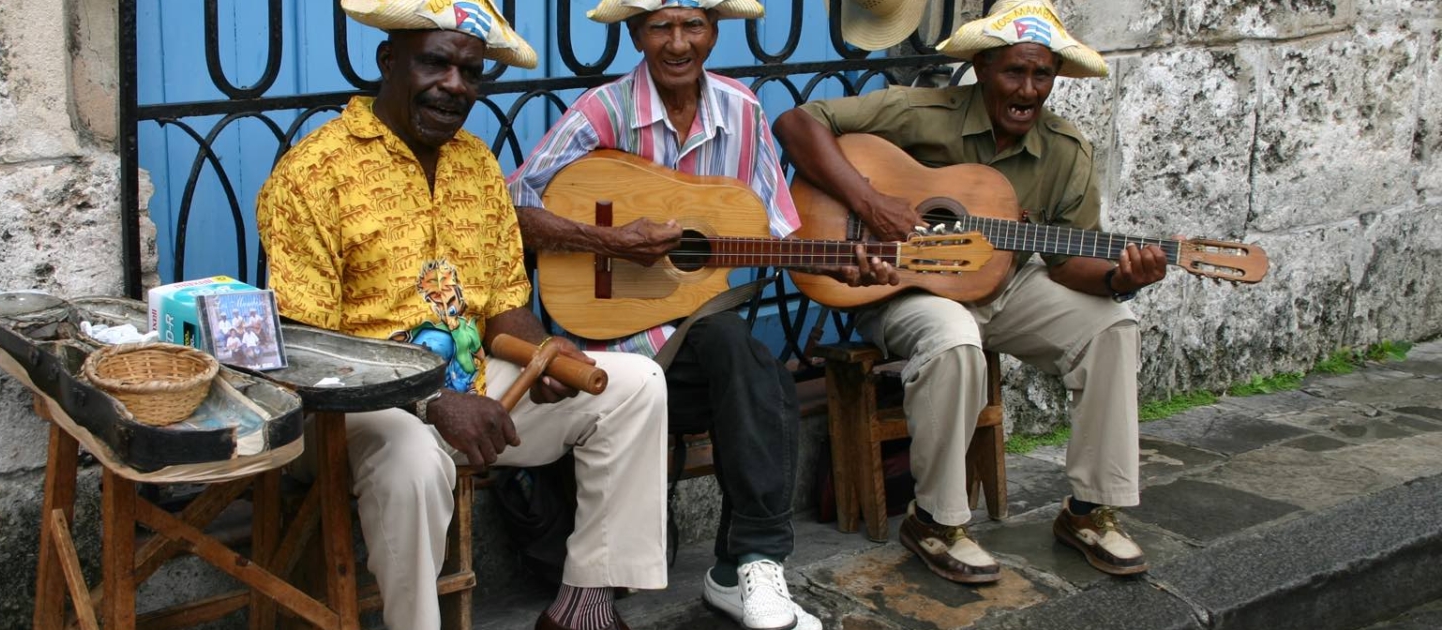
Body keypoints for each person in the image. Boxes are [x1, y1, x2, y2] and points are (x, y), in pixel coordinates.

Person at [257, 2, 669, 628]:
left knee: (636, 386)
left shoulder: (475, 164)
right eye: (435, 63)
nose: (455, 86)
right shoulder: (314, 173)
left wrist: (544, 354)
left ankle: (584, 601)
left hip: (473, 393)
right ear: (388, 61)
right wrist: (429, 402)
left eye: (471, 72)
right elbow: (307, 344)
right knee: (415, 458)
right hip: (351, 412)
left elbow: (505, 304)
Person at [507, 2, 895, 629]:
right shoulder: (600, 113)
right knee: (747, 364)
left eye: (693, 25)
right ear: (636, 35)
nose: (678, 43)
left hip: (692, 341)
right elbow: (512, 212)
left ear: (715, 31)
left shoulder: (742, 113)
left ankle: (750, 564)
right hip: (605, 351)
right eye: (661, 26)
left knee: (742, 354)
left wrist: (840, 262)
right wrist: (606, 240)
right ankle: (727, 569)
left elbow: (775, 237)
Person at [773, 0, 1167, 582]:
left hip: (1004, 287)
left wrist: (1118, 277)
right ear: (982, 68)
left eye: (1042, 75)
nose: (1028, 89)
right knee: (955, 338)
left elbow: (1067, 263)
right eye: (1014, 71)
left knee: (1111, 325)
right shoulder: (921, 112)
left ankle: (1089, 510)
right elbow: (797, 124)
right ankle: (935, 522)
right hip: (904, 291)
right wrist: (871, 201)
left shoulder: (1066, 150)